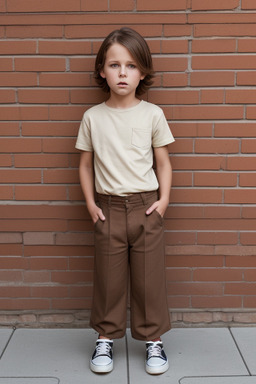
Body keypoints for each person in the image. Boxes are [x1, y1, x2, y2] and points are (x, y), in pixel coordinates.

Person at [75, 27, 175, 375]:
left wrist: (162, 202)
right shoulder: (93, 117)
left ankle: (153, 342)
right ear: (101, 70)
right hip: (108, 210)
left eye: (131, 66)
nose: (122, 73)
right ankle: (105, 337)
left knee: (149, 279)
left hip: (147, 208)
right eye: (114, 65)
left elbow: (163, 161)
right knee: (109, 279)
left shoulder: (152, 114)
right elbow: (85, 164)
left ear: (143, 72)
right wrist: (91, 204)